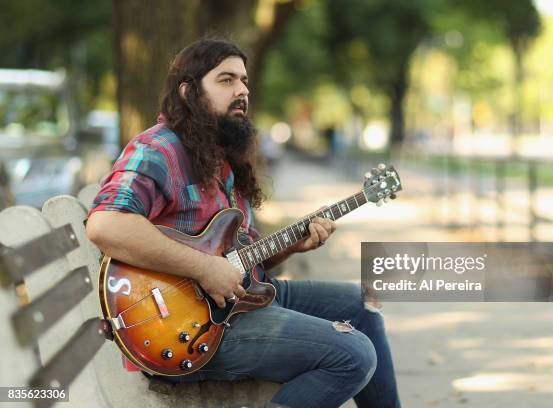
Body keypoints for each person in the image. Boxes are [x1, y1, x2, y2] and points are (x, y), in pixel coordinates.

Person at [86, 38, 400, 408]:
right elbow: (106, 224)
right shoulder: (158, 150)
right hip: (186, 329)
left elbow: (237, 263)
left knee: (363, 307)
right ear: (188, 92)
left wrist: (292, 245)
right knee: (352, 354)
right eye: (226, 80)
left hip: (242, 300)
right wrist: (204, 268)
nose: (242, 91)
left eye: (244, 81)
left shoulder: (223, 158)